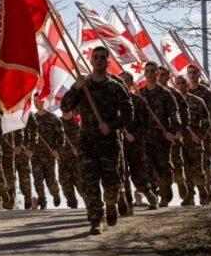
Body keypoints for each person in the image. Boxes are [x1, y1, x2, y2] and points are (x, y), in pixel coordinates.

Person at [61, 46, 133, 235]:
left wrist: (111, 126)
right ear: (91, 61)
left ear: (108, 62)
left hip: (109, 143)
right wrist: (75, 87)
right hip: (86, 142)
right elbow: (65, 106)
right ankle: (96, 219)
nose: (99, 60)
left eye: (103, 58)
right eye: (96, 57)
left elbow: (129, 114)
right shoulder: (83, 86)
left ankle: (111, 203)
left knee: (111, 183)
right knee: (89, 183)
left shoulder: (115, 87)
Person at [139, 62, 181, 208]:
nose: (149, 73)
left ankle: (165, 194)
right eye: (147, 71)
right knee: (147, 168)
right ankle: (154, 198)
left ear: (157, 74)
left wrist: (173, 132)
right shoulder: (140, 94)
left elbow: (174, 114)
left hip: (162, 138)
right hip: (145, 138)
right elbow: (134, 116)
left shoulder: (165, 93)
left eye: (152, 71)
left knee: (163, 168)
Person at [120, 71, 158, 210]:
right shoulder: (113, 102)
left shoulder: (138, 101)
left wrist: (135, 136)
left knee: (138, 175)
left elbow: (146, 124)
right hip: (118, 144)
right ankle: (128, 204)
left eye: (125, 81)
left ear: (131, 83)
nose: (122, 84)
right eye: (119, 81)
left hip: (135, 144)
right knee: (122, 174)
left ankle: (150, 195)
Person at [174, 75, 210, 205]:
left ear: (188, 84)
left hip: (194, 141)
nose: (181, 86)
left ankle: (202, 190)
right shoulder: (172, 102)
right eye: (178, 83)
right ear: (175, 86)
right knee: (184, 169)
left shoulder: (197, 101)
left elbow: (206, 122)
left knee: (197, 169)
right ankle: (189, 196)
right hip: (179, 141)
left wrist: (199, 136)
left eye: (183, 83)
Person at [186, 65, 211, 204]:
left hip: (203, 137)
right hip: (187, 136)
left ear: (199, 74)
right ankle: (189, 197)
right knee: (187, 165)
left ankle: (206, 197)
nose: (192, 75)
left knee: (203, 166)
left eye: (194, 72)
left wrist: (204, 135)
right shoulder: (184, 92)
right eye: (190, 73)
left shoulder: (206, 93)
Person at [157, 66, 189, 202]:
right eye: (159, 75)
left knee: (177, 163)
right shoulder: (151, 92)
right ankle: (165, 195)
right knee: (161, 167)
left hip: (173, 136)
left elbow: (185, 114)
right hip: (157, 137)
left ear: (168, 76)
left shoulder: (175, 94)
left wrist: (179, 131)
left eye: (163, 75)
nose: (160, 77)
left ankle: (180, 181)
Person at [32, 94, 64, 209]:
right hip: (36, 155)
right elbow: (28, 136)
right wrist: (27, 149)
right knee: (37, 180)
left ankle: (55, 193)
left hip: (49, 155)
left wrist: (57, 150)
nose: (36, 103)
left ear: (44, 102)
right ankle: (42, 201)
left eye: (38, 101)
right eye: (34, 101)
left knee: (50, 180)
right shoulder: (32, 119)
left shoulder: (53, 119)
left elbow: (61, 138)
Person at [58, 110, 84, 208]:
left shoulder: (78, 123)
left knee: (81, 184)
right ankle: (72, 205)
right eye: (63, 109)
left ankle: (91, 205)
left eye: (67, 109)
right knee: (65, 184)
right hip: (63, 159)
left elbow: (86, 139)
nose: (65, 111)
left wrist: (80, 150)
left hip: (77, 160)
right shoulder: (57, 123)